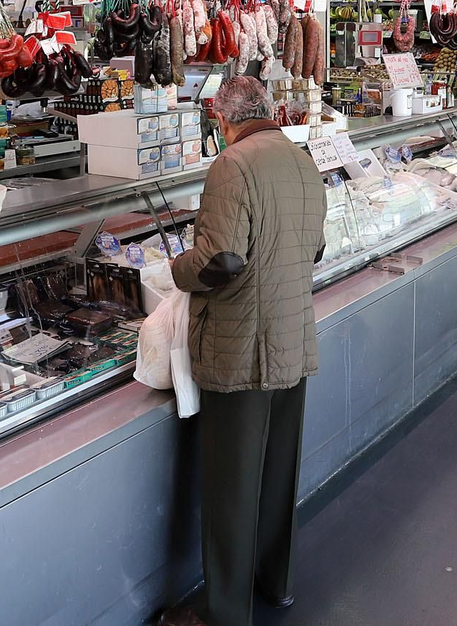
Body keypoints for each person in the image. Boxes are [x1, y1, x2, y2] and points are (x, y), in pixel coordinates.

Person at [159, 77, 326, 626]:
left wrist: (176, 269)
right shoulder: (302, 159)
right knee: (278, 474)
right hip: (293, 339)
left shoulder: (231, 164)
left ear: (221, 116)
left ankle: (225, 613)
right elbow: (316, 247)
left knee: (231, 485)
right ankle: (276, 584)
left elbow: (221, 260)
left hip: (242, 348)